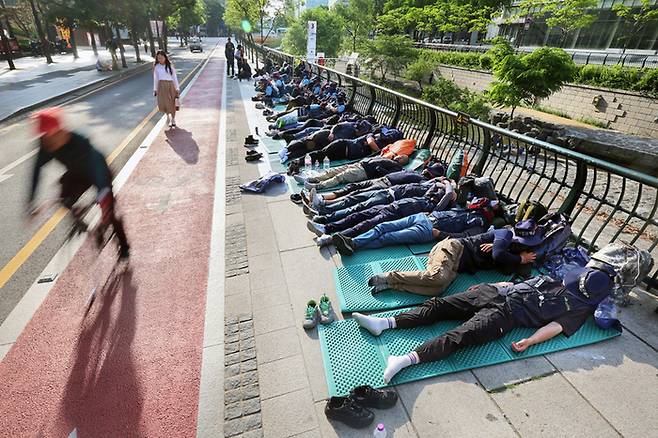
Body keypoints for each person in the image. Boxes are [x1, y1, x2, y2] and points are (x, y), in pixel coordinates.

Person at [352, 266, 615, 383]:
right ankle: (384, 323)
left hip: (507, 317)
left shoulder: (580, 309)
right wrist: (498, 285)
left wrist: (531, 340)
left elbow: (556, 327)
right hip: (496, 293)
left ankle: (404, 360)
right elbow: (525, 284)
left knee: (459, 336)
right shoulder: (564, 278)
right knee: (439, 305)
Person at [27, 107, 130, 259]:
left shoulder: (79, 142)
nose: (49, 141)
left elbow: (98, 168)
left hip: (98, 172)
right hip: (76, 174)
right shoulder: (45, 146)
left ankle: (124, 246)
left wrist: (103, 193)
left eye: (52, 135)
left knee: (110, 212)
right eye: (45, 137)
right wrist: (30, 202)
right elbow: (36, 173)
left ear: (60, 130)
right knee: (63, 194)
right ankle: (81, 222)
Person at [367, 219, 543, 296]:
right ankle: (388, 276)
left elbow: (503, 265)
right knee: (437, 277)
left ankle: (392, 285)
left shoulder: (507, 248)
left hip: (455, 266)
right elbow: (498, 255)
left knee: (437, 289)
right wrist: (519, 259)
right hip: (453, 248)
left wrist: (512, 256)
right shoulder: (504, 234)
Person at [308, 181, 456, 239]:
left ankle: (332, 237)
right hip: (389, 207)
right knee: (356, 215)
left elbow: (448, 193)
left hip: (394, 215)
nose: (436, 195)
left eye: (440, 196)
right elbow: (435, 185)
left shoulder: (435, 208)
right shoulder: (426, 198)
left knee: (364, 224)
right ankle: (326, 227)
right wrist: (443, 183)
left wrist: (450, 187)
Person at [330, 203, 494, 254]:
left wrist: (440, 234)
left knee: (388, 237)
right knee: (382, 226)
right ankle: (352, 242)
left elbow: (463, 237)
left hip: (429, 230)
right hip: (422, 217)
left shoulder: (479, 226)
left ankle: (354, 245)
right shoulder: (468, 209)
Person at [294, 156, 409, 191]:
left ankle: (318, 186)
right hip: (360, 164)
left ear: (403, 161)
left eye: (402, 157)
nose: (399, 156)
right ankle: (313, 179)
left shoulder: (397, 167)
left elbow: (388, 176)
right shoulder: (389, 158)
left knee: (340, 177)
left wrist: (379, 169)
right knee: (333, 171)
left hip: (364, 172)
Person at [153, 50, 180, 128]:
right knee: (163, 103)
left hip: (170, 85)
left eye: (161, 58)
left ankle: (173, 119)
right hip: (161, 86)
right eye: (158, 58)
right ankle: (167, 117)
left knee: (172, 103)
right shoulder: (156, 67)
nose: (160, 60)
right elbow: (156, 78)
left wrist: (177, 88)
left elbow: (174, 77)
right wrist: (155, 89)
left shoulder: (170, 66)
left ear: (165, 57)